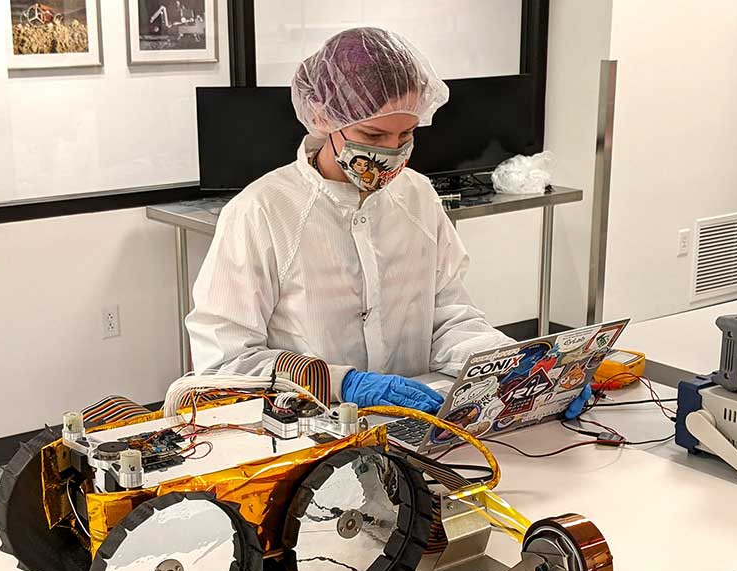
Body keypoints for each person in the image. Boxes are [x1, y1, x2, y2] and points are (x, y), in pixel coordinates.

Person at [186, 27, 512, 413]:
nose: (391, 152)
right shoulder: (262, 212)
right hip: (307, 434)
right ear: (324, 116)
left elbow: (448, 317)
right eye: (373, 135)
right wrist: (340, 383)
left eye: (406, 133)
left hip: (415, 421)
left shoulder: (418, 196)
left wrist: (512, 366)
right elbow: (225, 362)